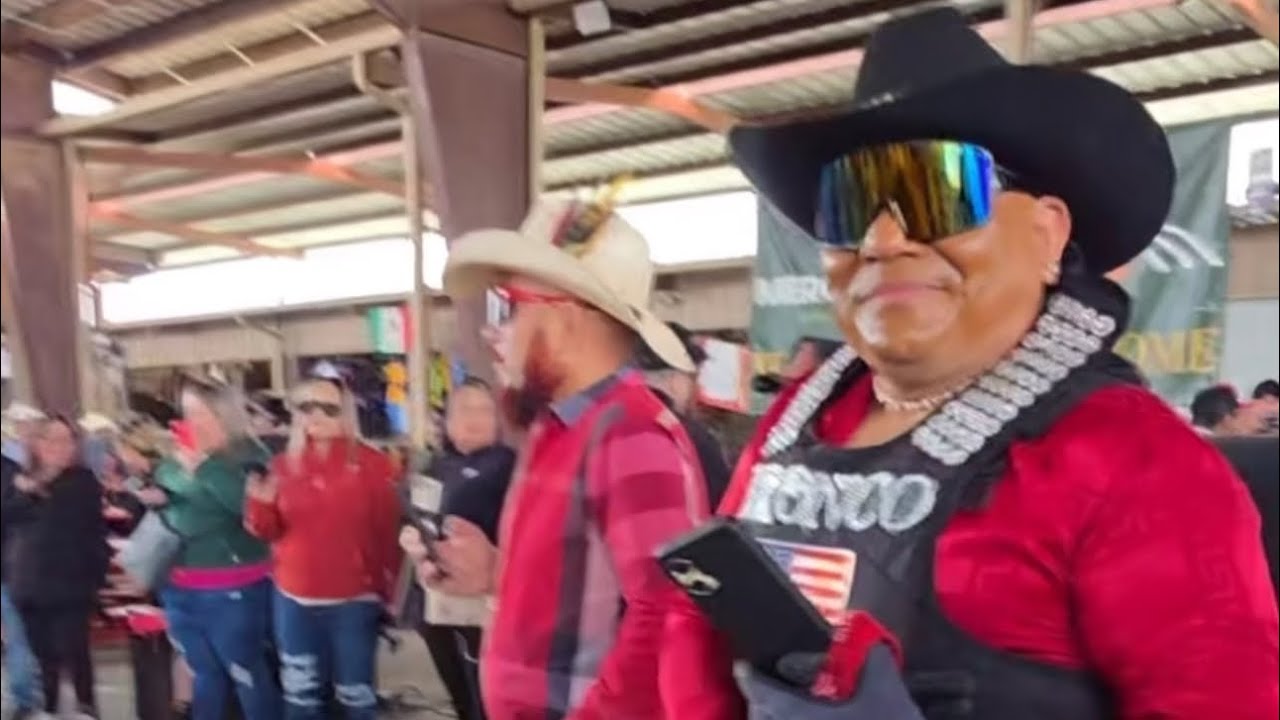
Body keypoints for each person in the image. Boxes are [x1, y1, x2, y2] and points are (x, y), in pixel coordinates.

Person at [659, 8, 1279, 719]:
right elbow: (686, 639)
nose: (884, 240)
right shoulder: (800, 420)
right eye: (850, 204)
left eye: (936, 189)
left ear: (1047, 233)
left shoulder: (1132, 459)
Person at [402, 194, 711, 719]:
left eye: (509, 306)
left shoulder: (632, 435)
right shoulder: (560, 430)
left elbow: (671, 618)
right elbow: (590, 593)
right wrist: (495, 574)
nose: (492, 331)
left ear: (565, 318)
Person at [243, 375, 401, 720]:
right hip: (293, 600)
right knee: (300, 698)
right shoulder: (282, 466)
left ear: (346, 413)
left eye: (328, 408)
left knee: (356, 697)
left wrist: (390, 596)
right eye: (305, 406)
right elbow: (267, 532)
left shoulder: (374, 464)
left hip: (355, 600)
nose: (316, 415)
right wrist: (259, 504)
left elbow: (387, 534)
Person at [152, 377, 279, 720]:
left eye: (198, 412)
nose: (188, 421)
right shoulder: (177, 457)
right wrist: (184, 474)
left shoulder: (249, 455)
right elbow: (165, 483)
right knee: (204, 674)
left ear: (223, 415)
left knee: (246, 672)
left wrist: (202, 471)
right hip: (179, 587)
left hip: (233, 587)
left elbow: (246, 506)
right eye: (186, 412)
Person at [411, 377, 514, 720]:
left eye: (484, 409)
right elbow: (411, 514)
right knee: (458, 694)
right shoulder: (432, 465)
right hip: (434, 599)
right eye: (465, 409)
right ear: (449, 421)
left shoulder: (508, 464)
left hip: (481, 600)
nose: (475, 417)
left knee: (483, 695)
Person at [2, 416, 108, 718]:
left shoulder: (83, 480)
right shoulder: (18, 480)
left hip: (72, 584)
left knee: (75, 651)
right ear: (36, 443)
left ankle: (86, 707)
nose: (60, 447)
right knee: (43, 655)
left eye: (67, 440)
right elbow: (8, 517)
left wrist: (96, 578)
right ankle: (48, 708)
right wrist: (30, 488)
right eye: (51, 439)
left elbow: (91, 531)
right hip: (29, 584)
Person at [635, 322, 732, 509]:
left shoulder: (596, 424)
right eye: (692, 379)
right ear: (675, 381)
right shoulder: (690, 438)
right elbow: (720, 511)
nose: (697, 388)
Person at [2, 446, 43, 718]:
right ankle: (24, 694)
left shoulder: (10, 470)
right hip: (10, 564)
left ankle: (24, 694)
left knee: (17, 634)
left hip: (9, 566)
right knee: (18, 634)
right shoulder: (10, 470)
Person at [1, 403, 44, 468]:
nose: (19, 426)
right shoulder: (9, 445)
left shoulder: (38, 444)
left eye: (24, 424)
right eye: (17, 423)